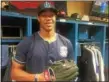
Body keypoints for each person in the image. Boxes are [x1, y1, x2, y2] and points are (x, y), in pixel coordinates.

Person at [11, 2, 74, 81]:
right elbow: (14, 73)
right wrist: (37, 78)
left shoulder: (67, 43)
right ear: (38, 18)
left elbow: (72, 70)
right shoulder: (26, 42)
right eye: (44, 15)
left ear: (55, 17)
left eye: (51, 15)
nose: (48, 18)